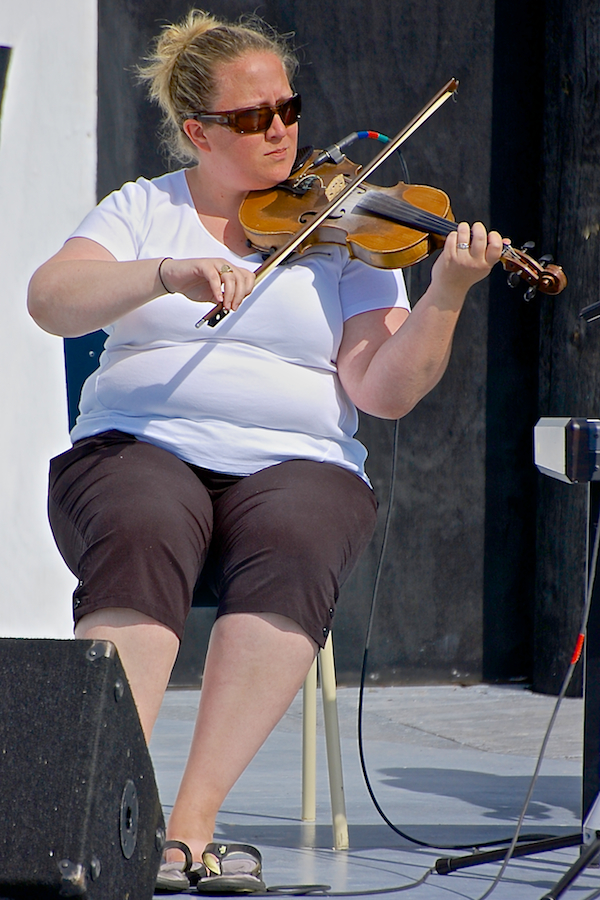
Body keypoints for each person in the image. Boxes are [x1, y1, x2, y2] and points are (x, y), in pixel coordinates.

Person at [27, 9, 503, 894]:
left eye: (288, 108)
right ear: (198, 131)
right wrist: (164, 271)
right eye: (253, 119)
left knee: (301, 533)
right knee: (141, 520)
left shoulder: (347, 229)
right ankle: (98, 816)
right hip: (138, 446)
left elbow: (382, 392)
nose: (281, 129)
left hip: (297, 459)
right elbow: (52, 300)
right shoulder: (145, 207)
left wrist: (446, 294)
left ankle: (188, 829)